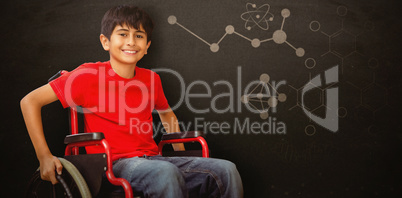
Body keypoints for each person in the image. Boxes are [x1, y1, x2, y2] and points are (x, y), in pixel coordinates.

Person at [20, 5, 243, 198]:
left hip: (153, 159)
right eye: (123, 34)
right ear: (105, 42)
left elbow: (167, 114)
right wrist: (44, 157)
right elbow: (29, 101)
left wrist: (181, 156)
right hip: (112, 164)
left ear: (147, 46)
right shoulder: (86, 75)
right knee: (165, 173)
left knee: (225, 171)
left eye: (139, 36)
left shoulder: (151, 79)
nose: (131, 42)